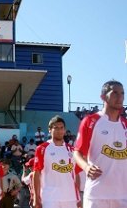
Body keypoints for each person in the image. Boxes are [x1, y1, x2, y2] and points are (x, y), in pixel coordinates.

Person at [74, 80, 127, 208]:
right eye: (114, 93)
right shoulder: (91, 121)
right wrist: (87, 168)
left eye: (122, 93)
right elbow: (77, 152)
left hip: (122, 196)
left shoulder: (125, 124)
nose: (120, 97)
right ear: (103, 97)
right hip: (96, 195)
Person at [33, 115, 79, 208]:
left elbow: (76, 174)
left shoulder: (72, 150)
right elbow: (36, 173)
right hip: (50, 198)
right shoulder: (42, 148)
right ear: (49, 130)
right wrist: (35, 197)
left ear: (65, 130)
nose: (59, 130)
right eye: (56, 128)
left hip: (70, 198)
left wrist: (78, 198)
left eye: (62, 128)